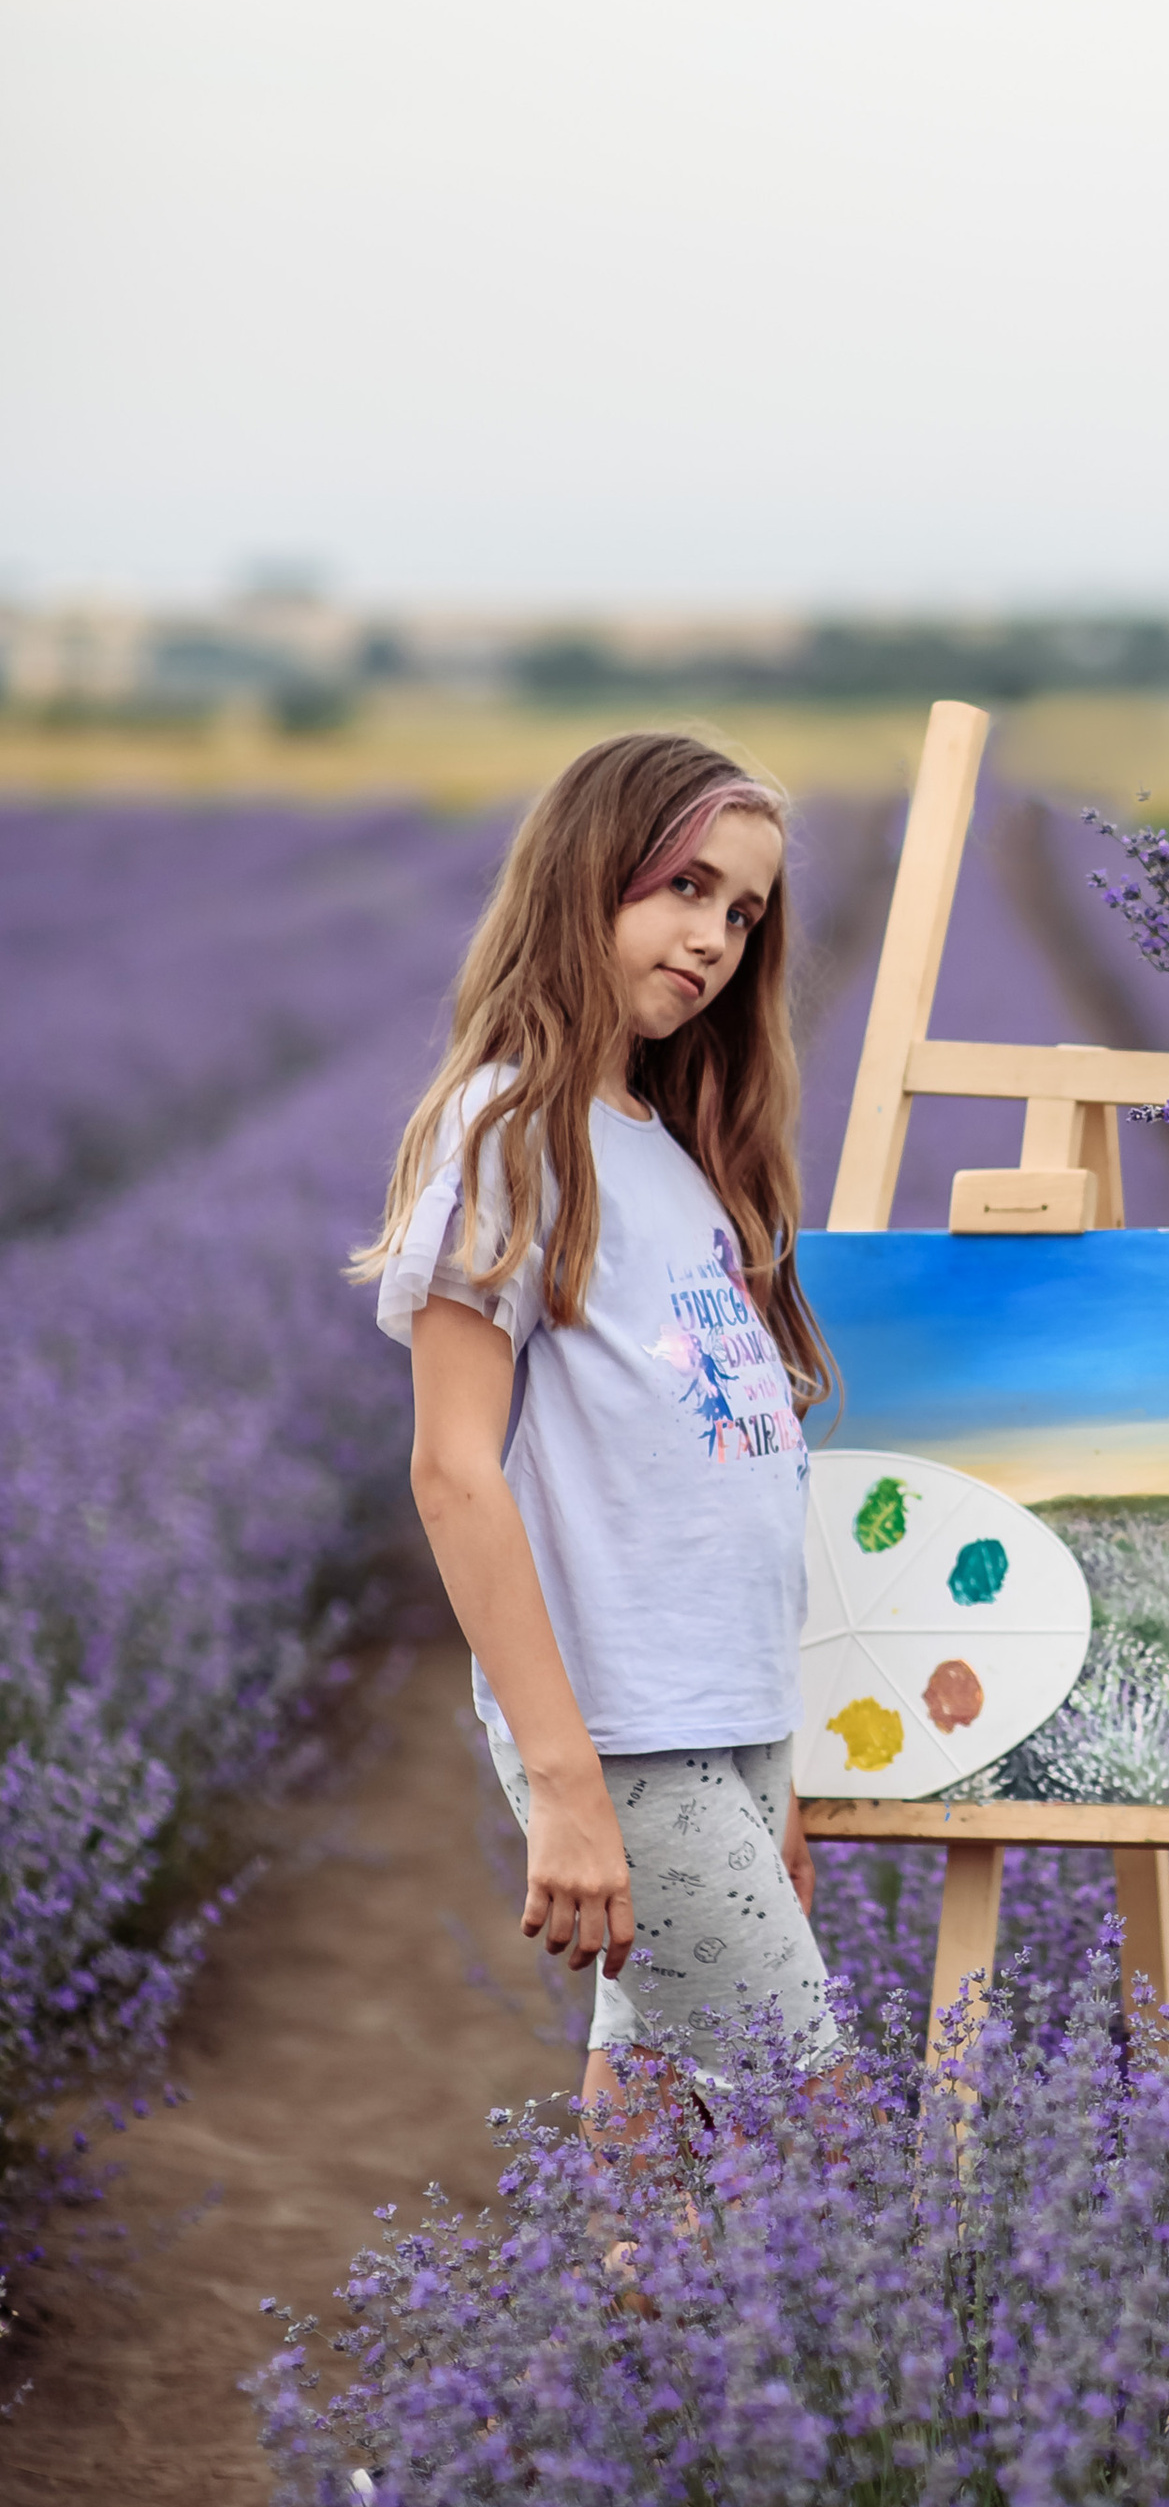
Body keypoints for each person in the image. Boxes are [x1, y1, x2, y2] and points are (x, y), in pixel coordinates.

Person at [354, 729, 836, 2105]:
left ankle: (622, 2324)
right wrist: (564, 1780)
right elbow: (454, 1471)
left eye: (743, 912)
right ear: (587, 875)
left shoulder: (672, 1151)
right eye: (684, 885)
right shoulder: (513, 1130)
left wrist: (772, 1767)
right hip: (624, 1731)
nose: (715, 937)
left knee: (661, 2119)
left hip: (717, 1718)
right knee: (819, 2130)